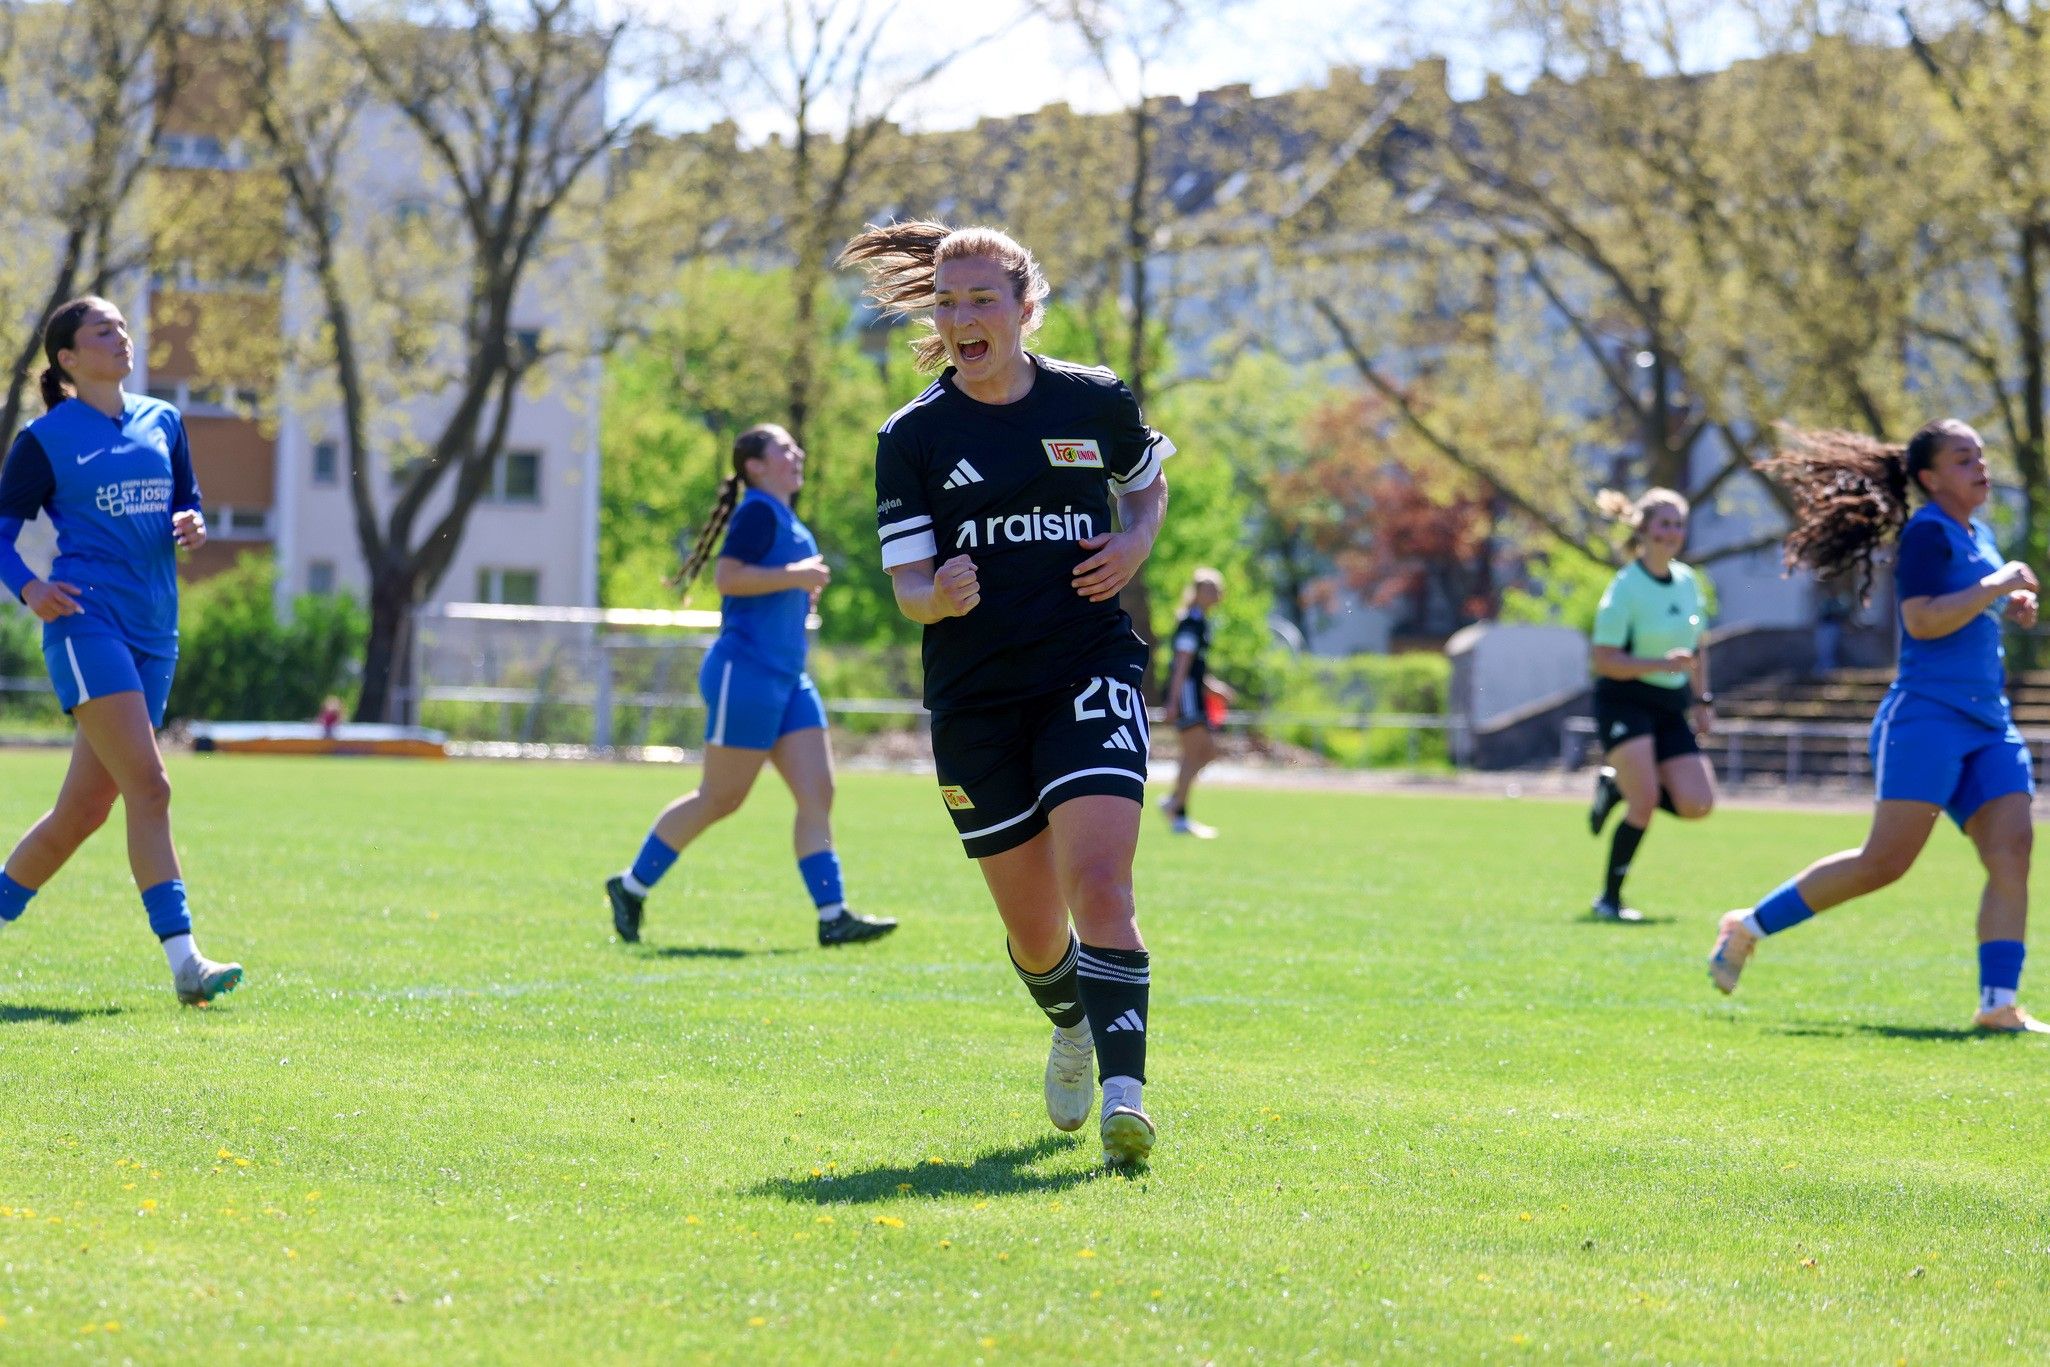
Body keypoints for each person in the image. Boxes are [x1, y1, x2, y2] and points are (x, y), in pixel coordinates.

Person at [839, 219, 1172, 1168]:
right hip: (978, 702)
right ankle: (1069, 1018)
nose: (961, 316)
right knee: (1036, 937)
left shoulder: (1094, 400)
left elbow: (1144, 488)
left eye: (983, 299)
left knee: (1101, 881)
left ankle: (1126, 1094)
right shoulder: (912, 438)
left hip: (1088, 667)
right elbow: (907, 589)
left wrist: (1135, 541)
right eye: (947, 301)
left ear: (1027, 309)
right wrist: (935, 594)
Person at [1708, 421, 2045, 1033]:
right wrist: (1996, 585)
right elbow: (1921, 621)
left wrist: (2010, 606)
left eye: (1982, 456)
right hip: (1926, 718)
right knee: (1884, 862)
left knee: (2014, 849)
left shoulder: (1982, 535)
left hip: (1988, 723)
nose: (1981, 467)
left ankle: (1998, 1004)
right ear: (1928, 478)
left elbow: (1971, 607)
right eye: (1963, 458)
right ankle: (1747, 926)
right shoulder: (1925, 535)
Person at [0, 296, 241, 1005]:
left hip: (154, 632)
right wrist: (29, 588)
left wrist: (189, 523)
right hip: (84, 621)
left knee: (83, 814)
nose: (120, 336)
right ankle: (186, 961)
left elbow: (183, 504)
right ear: (68, 358)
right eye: (102, 330)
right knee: (153, 786)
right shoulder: (45, 439)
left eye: (122, 326)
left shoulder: (163, 420)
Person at [604, 424, 896, 949]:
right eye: (784, 449)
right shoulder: (758, 510)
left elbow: (775, 580)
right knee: (720, 798)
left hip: (788, 677)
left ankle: (833, 916)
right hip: (747, 673)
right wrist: (797, 576)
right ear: (756, 466)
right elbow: (729, 578)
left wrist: (797, 587)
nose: (797, 453)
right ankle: (630, 887)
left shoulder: (782, 515)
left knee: (818, 794)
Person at [1584, 488, 1716, 921]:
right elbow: (1604, 660)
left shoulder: (1687, 582)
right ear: (1643, 529)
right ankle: (1609, 899)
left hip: (1669, 703)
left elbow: (1698, 647)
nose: (1672, 533)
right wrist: (1659, 663)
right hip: (1624, 700)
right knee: (1644, 803)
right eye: (1664, 523)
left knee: (1698, 804)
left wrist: (1702, 699)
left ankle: (1617, 784)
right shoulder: (1626, 588)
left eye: (1678, 524)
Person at [1159, 566, 1233, 838]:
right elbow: (1182, 664)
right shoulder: (1192, 621)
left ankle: (1178, 812)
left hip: (1192, 693)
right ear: (1198, 592)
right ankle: (1174, 804)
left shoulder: (1200, 620)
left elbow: (1195, 667)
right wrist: (1173, 700)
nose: (1217, 593)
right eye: (1211, 588)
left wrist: (1213, 688)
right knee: (1204, 752)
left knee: (1194, 755)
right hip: (1186, 696)